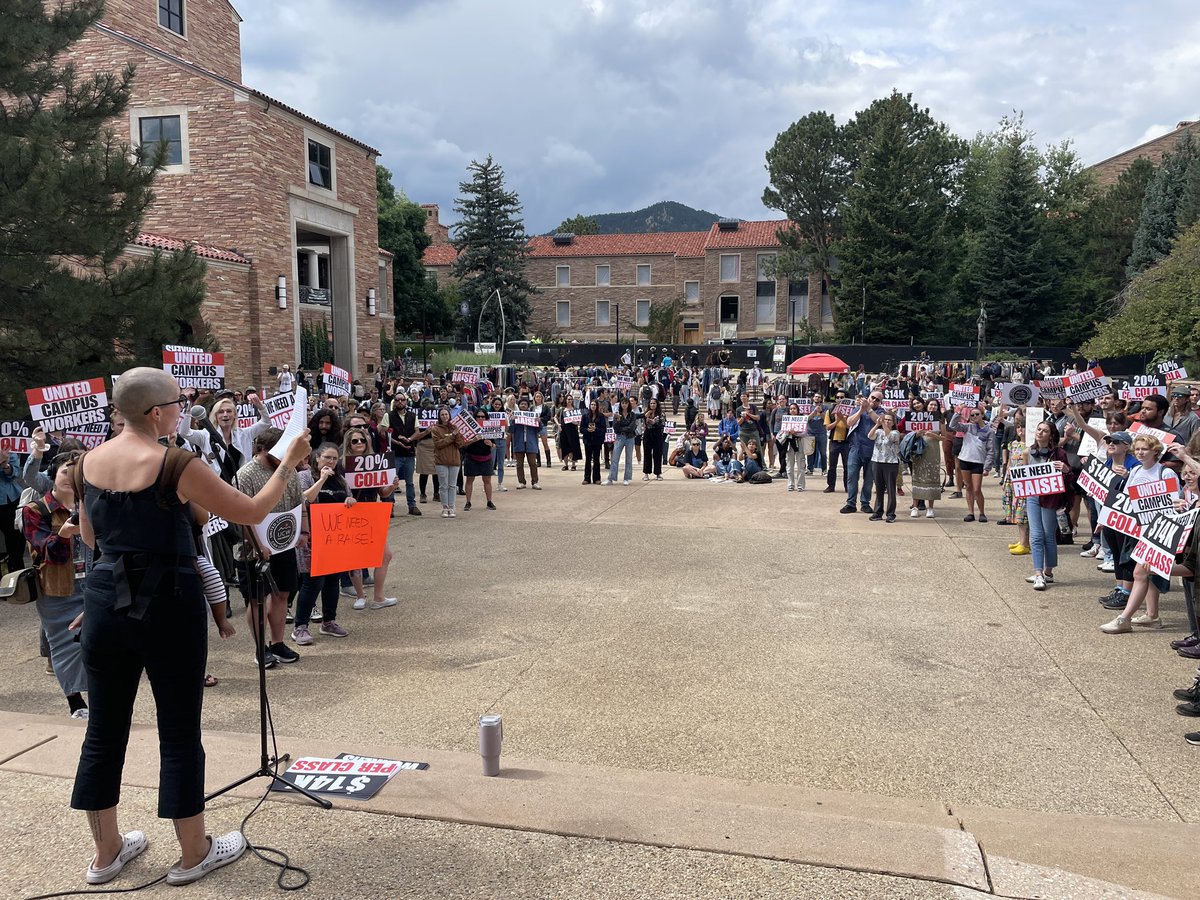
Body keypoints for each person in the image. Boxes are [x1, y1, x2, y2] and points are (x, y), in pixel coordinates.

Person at [70, 367, 310, 887]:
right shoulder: (175, 462)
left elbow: (92, 537)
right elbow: (250, 508)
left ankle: (105, 853)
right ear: (156, 412)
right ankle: (192, 851)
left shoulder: (87, 462)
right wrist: (288, 463)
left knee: (103, 729)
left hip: (107, 599)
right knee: (179, 729)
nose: (183, 409)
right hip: (168, 601)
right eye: (178, 402)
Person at [22, 450, 89, 717]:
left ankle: (102, 692)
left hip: (93, 583)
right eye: (65, 471)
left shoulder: (91, 503)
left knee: (99, 642)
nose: (70, 477)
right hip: (58, 590)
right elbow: (47, 553)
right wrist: (62, 536)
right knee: (64, 645)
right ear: (53, 475)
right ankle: (75, 701)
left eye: (76, 472)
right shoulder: (37, 509)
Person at [291, 443, 353, 644]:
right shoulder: (305, 477)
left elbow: (348, 500)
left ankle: (329, 621)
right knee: (312, 582)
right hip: (312, 538)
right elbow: (304, 499)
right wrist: (323, 478)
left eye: (335, 458)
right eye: (327, 457)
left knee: (332, 580)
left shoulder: (341, 481)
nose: (331, 462)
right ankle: (300, 626)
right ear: (317, 458)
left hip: (334, 539)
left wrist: (351, 502)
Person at [1023, 420, 1072, 591]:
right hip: (1032, 497)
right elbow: (1022, 474)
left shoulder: (1059, 453)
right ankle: (1038, 574)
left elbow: (1068, 478)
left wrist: (1066, 470)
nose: (1041, 433)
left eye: (1045, 431)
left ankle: (1048, 572)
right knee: (1036, 536)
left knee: (1048, 535)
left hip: (1050, 498)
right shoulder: (1028, 452)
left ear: (1051, 435)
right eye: (1039, 429)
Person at [951, 405, 995, 522]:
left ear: (982, 415)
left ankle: (982, 512)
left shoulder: (989, 431)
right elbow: (952, 425)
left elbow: (991, 450)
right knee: (968, 487)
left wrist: (987, 467)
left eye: (977, 414)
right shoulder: (967, 427)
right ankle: (971, 512)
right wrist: (958, 413)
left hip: (978, 462)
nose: (975, 416)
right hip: (965, 460)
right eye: (972, 415)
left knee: (977, 489)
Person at [429, 407, 467, 514]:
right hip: (441, 461)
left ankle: (451, 507)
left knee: (452, 485)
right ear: (439, 416)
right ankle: (444, 507)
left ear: (449, 415)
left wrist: (457, 434)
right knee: (443, 485)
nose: (445, 416)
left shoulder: (454, 427)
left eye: (446, 414)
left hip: (454, 460)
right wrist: (452, 436)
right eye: (442, 415)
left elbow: (460, 444)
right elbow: (438, 444)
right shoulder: (435, 429)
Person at [868, 412, 901, 522]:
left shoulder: (895, 432)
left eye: (889, 420)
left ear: (893, 423)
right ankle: (878, 512)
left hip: (891, 463)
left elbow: (891, 437)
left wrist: (885, 426)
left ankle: (891, 513)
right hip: (877, 461)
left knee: (891, 489)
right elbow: (870, 436)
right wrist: (877, 424)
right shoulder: (878, 431)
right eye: (885, 419)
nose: (886, 421)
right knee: (879, 488)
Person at [462, 409, 497, 511]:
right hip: (471, 457)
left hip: (486, 457)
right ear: (475, 417)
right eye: (478, 416)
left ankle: (489, 501)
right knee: (469, 480)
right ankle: (468, 502)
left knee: (487, 480)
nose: (481, 418)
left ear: (486, 418)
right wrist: (474, 439)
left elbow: (494, 445)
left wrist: (491, 444)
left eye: (483, 417)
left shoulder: (490, 428)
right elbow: (463, 443)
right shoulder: (469, 428)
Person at [510, 398, 542, 490]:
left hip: (531, 442)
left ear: (528, 406)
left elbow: (539, 429)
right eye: (521, 404)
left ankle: (535, 482)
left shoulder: (533, 416)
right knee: (519, 464)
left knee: (533, 463)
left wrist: (539, 422)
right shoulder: (515, 416)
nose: (523, 405)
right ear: (518, 406)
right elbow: (510, 430)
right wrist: (512, 421)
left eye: (525, 404)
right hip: (519, 442)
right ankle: (521, 482)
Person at [606, 398, 637, 485]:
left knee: (629, 458)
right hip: (620, 437)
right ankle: (611, 478)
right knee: (615, 458)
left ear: (628, 405)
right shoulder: (617, 415)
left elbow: (632, 427)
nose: (624, 405)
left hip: (630, 437)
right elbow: (615, 428)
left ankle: (627, 478)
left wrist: (623, 428)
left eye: (626, 403)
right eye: (623, 403)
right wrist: (619, 421)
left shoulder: (632, 414)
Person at [779, 403, 807, 492]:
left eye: (794, 408)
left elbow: (804, 433)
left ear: (798, 410)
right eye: (791, 409)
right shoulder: (786, 420)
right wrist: (787, 433)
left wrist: (796, 433)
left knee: (800, 465)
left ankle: (800, 485)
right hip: (789, 444)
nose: (792, 410)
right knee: (789, 466)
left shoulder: (802, 420)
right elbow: (781, 432)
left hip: (799, 443)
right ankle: (791, 484)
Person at [581, 399, 606, 485]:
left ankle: (596, 478)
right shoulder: (585, 416)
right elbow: (581, 428)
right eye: (591, 404)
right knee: (588, 459)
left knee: (596, 459)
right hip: (588, 440)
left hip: (597, 441)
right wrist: (587, 430)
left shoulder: (601, 416)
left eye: (594, 405)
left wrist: (596, 430)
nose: (593, 406)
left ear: (597, 406)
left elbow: (603, 429)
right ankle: (586, 478)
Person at [641, 397, 666, 480]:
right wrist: (646, 418)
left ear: (657, 404)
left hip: (657, 435)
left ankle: (658, 473)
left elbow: (662, 425)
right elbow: (642, 424)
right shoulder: (646, 413)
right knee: (647, 454)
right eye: (651, 403)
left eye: (654, 403)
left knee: (658, 454)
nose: (652, 405)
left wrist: (655, 423)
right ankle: (646, 473)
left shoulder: (661, 414)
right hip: (648, 435)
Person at [558, 396, 581, 472]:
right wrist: (558, 425)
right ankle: (566, 465)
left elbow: (579, 421)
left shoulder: (575, 410)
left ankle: (573, 464)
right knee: (564, 447)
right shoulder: (562, 409)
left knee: (573, 447)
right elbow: (555, 417)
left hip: (573, 431)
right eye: (568, 399)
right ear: (566, 400)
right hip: (564, 431)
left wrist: (576, 423)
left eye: (571, 399)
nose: (569, 401)